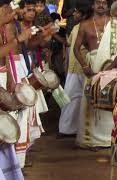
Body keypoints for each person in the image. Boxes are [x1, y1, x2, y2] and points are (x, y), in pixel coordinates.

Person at [3, 0, 55, 168]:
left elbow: (26, 46)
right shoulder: (12, 25)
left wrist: (43, 37)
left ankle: (17, 161)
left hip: (17, 67)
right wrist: (19, 39)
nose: (13, 12)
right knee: (15, 113)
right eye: (26, 9)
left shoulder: (13, 25)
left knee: (22, 113)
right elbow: (10, 50)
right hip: (11, 69)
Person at [74, 0, 117, 150]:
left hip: (112, 67)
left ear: (108, 6)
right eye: (98, 2)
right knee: (91, 100)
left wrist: (115, 66)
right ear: (93, 5)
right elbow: (76, 48)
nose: (101, 5)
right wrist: (84, 66)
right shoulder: (85, 24)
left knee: (110, 99)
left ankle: (109, 138)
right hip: (93, 67)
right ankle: (91, 140)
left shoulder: (116, 25)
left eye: (104, 2)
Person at [58, 7, 89, 138]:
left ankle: (74, 129)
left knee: (80, 99)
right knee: (69, 99)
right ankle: (67, 129)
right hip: (73, 69)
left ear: (83, 14)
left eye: (77, 11)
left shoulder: (88, 27)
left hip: (83, 69)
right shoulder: (76, 27)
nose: (74, 14)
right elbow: (68, 44)